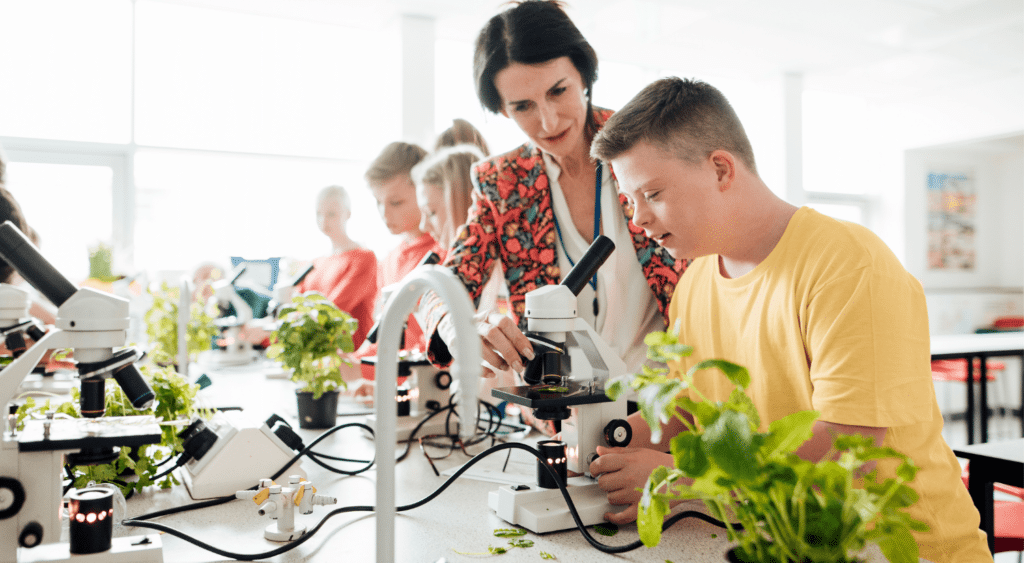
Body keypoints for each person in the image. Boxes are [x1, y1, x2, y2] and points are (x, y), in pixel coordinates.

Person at [587, 77, 991, 562]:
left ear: (720, 169)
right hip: (779, 541)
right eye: (629, 200)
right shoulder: (695, 282)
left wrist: (677, 479)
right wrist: (609, 440)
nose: (637, 219)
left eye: (651, 193)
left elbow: (849, 452)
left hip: (907, 551)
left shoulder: (849, 265)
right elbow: (688, 412)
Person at [420, 0, 684, 384]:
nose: (548, 121)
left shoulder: (649, 144)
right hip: (563, 416)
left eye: (558, 91)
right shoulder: (502, 183)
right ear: (504, 111)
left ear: (584, 75)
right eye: (523, 106)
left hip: (668, 407)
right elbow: (440, 286)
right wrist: (456, 323)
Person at [294, 185, 378, 350]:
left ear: (348, 214)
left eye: (331, 214)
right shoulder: (315, 264)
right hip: (317, 354)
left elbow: (333, 308)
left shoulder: (364, 258)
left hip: (352, 358)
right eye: (319, 214)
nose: (324, 221)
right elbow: (297, 304)